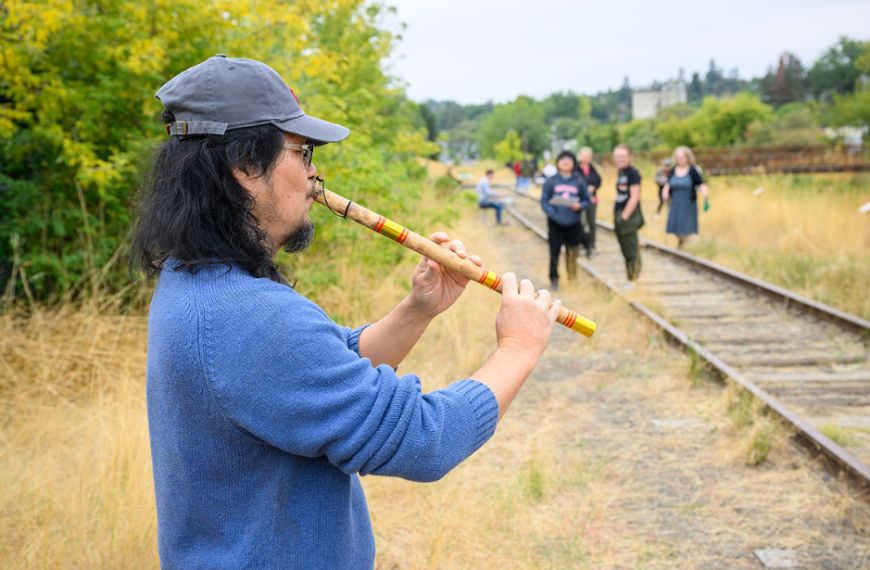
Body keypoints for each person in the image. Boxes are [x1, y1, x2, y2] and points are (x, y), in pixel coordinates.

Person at [131, 55, 563, 570]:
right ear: (246, 166)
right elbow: (424, 440)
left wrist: (417, 309)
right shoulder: (247, 317)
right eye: (303, 151)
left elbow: (325, 366)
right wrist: (518, 347)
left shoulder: (195, 280)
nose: (314, 173)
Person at [540, 150, 590, 291]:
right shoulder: (551, 181)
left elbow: (587, 200)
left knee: (573, 251)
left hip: (574, 223)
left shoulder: (579, 180)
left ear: (574, 163)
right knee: (554, 251)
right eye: (563, 159)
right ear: (558, 162)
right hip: (555, 223)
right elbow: (544, 201)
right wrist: (553, 215)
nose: (566, 162)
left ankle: (572, 277)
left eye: (569, 159)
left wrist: (580, 205)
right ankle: (554, 278)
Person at [662, 146, 709, 248]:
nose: (680, 159)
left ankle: (684, 246)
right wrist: (665, 192)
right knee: (673, 224)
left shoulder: (693, 170)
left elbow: (701, 184)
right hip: (675, 202)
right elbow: (668, 183)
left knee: (687, 226)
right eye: (678, 157)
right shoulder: (673, 170)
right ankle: (681, 241)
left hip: (688, 202)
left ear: (687, 158)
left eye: (682, 157)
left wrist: (705, 197)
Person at [612, 143, 643, 289]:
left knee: (631, 247)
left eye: (623, 156)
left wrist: (624, 216)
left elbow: (635, 196)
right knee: (624, 246)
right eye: (617, 156)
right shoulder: (621, 172)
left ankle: (633, 279)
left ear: (630, 157)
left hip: (628, 215)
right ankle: (629, 277)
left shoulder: (633, 173)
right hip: (620, 213)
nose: (620, 159)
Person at [575, 147, 602, 256]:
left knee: (591, 222)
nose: (586, 158)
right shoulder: (576, 169)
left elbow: (599, 181)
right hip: (580, 200)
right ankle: (581, 244)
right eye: (584, 156)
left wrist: (593, 187)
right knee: (581, 222)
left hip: (592, 200)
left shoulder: (592, 169)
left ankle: (592, 245)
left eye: (588, 156)